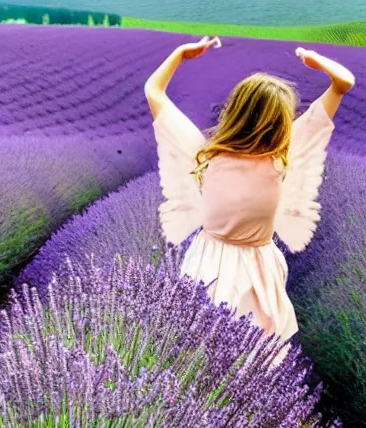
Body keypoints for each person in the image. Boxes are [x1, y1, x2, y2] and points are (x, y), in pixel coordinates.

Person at [145, 36, 355, 363]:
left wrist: (180, 55)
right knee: (258, 361)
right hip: (259, 269)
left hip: (208, 263)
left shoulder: (203, 154)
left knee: (203, 354)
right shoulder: (283, 159)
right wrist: (314, 58)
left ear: (236, 113)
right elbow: (344, 83)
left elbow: (153, 92)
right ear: (279, 123)